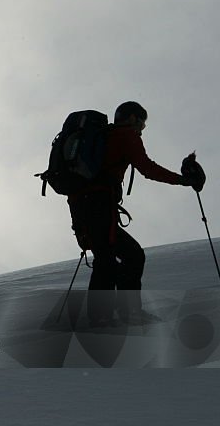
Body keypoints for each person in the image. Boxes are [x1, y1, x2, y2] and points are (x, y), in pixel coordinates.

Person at [68, 101, 204, 325]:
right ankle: (114, 316)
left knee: (110, 257)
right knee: (123, 256)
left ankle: (107, 315)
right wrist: (183, 181)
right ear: (132, 118)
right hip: (99, 204)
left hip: (81, 205)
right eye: (142, 123)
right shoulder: (125, 136)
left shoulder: (105, 136)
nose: (142, 129)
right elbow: (147, 168)